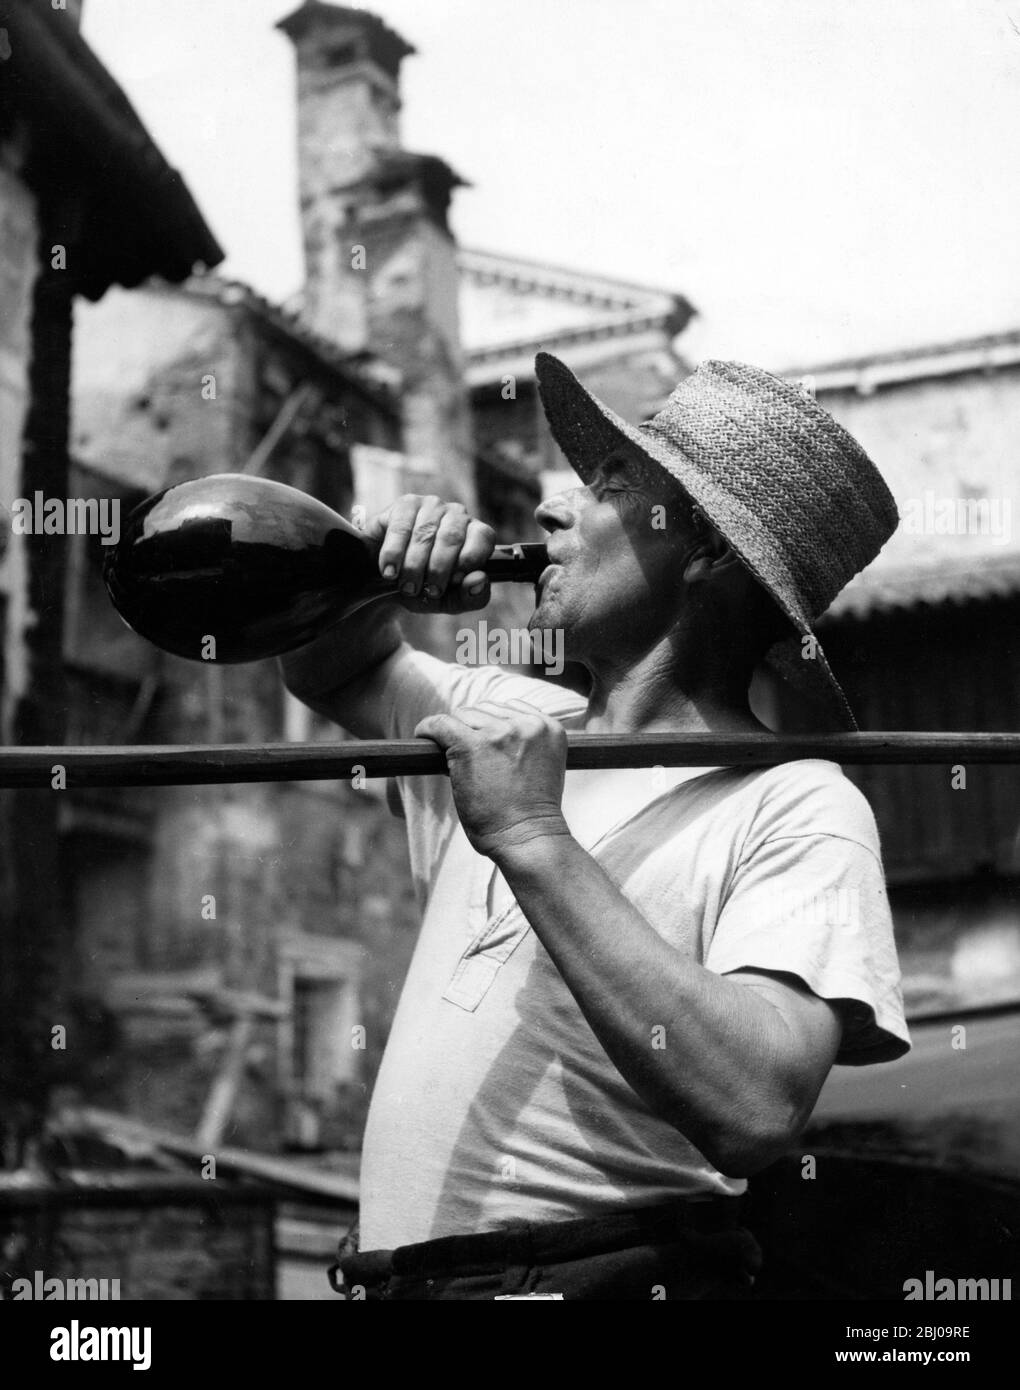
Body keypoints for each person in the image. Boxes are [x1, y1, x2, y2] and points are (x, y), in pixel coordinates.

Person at [282, 351, 911, 1301]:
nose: (550, 510)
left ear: (701, 550)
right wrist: (373, 586)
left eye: (611, 485)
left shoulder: (794, 802)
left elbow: (756, 1106)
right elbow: (332, 669)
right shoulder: (508, 717)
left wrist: (535, 837)